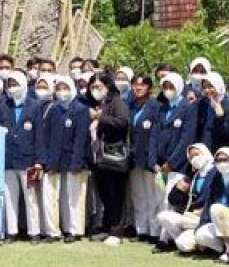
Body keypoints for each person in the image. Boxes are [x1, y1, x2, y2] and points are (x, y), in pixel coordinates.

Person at [37, 75, 91, 243]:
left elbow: (81, 139)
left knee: (74, 198)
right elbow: (47, 138)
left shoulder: (81, 109)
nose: (62, 92)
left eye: (65, 88)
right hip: (54, 160)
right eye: (59, 89)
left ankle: (74, 230)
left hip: (75, 160)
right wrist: (49, 162)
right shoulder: (53, 109)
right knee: (50, 197)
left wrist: (77, 163)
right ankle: (53, 231)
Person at [0, 71, 44, 241]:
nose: (12, 88)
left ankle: (34, 232)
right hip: (8, 160)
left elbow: (39, 136)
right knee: (9, 198)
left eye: (15, 84)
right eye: (10, 84)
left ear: (23, 84)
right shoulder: (4, 105)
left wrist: (38, 160)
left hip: (28, 160)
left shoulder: (35, 106)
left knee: (31, 198)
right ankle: (12, 231)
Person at [90, 72, 130, 244]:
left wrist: (102, 118)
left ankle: (117, 231)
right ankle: (106, 228)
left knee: (116, 195)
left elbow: (122, 122)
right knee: (105, 195)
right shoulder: (99, 103)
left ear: (108, 86)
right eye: (93, 87)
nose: (95, 90)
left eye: (99, 87)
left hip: (114, 155)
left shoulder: (117, 102)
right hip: (99, 157)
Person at [192, 146, 229, 262]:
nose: (222, 163)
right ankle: (223, 248)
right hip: (218, 221)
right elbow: (208, 204)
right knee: (200, 235)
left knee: (216, 209)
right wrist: (199, 227)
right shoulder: (216, 179)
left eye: (225, 159)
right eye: (218, 160)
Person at [155, 143, 214, 253]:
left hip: (206, 217)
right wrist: (179, 189)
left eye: (197, 154)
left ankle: (204, 245)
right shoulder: (192, 175)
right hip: (190, 218)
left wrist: (203, 211)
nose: (195, 158)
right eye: (191, 157)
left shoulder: (215, 173)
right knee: (163, 216)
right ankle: (187, 241)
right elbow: (172, 199)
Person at [126, 75, 162, 242]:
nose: (137, 88)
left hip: (149, 158)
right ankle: (142, 229)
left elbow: (157, 135)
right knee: (138, 196)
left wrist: (154, 159)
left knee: (152, 196)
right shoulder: (130, 106)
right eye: (134, 85)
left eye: (141, 85)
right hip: (133, 158)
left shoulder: (156, 107)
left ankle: (154, 231)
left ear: (148, 87)